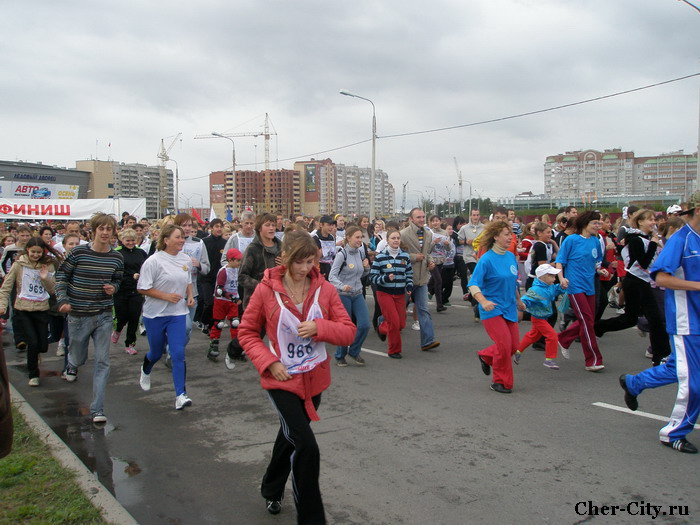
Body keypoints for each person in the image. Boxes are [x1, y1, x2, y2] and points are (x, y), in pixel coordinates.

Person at [238, 230, 355, 523]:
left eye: (311, 262)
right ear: (286, 258)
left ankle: (271, 487)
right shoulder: (266, 290)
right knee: (306, 444)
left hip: (314, 377)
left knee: (289, 437)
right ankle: (312, 518)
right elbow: (248, 332)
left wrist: (320, 327)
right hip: (281, 378)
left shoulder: (324, 289)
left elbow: (347, 331)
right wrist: (268, 362)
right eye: (300, 262)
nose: (305, 269)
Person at [619, 194, 700, 454]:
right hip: (687, 321)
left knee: (680, 369)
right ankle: (674, 433)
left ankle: (634, 383)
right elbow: (662, 278)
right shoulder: (681, 239)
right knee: (694, 383)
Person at [55, 213, 124, 424]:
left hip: (103, 314)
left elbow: (118, 280)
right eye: (101, 229)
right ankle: (72, 363)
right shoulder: (77, 253)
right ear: (93, 231)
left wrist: (113, 288)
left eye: (109, 229)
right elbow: (61, 276)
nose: (105, 233)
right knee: (78, 357)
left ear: (113, 232)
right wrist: (63, 300)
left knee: (102, 362)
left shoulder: (116, 258)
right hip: (78, 315)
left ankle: (98, 410)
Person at [594, 210, 670, 365]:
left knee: (653, 319)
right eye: (650, 220)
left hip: (644, 282)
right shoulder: (635, 240)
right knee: (632, 319)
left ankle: (660, 354)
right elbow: (643, 262)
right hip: (634, 282)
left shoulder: (647, 238)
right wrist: (654, 244)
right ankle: (596, 327)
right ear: (640, 222)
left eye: (654, 219)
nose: (654, 222)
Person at [137, 224, 195, 410]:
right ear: (166, 240)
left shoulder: (185, 258)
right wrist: (166, 296)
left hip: (177, 313)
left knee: (178, 353)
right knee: (155, 352)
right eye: (178, 237)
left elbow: (187, 280)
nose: (182, 240)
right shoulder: (153, 261)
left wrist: (190, 295)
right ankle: (146, 369)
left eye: (183, 237)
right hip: (155, 314)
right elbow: (142, 288)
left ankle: (181, 395)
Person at [468, 221, 525, 393]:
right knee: (504, 344)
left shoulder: (509, 257)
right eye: (506, 234)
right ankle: (500, 382)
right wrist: (483, 302)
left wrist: (518, 300)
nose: (510, 237)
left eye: (511, 234)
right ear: (495, 237)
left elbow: (513, 282)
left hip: (509, 307)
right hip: (491, 309)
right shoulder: (486, 259)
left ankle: (486, 356)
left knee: (514, 346)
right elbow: (473, 285)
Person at [0, 238, 58, 386]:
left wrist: (45, 278)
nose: (35, 255)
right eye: (33, 252)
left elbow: (53, 290)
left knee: (42, 345)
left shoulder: (48, 265)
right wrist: (3, 305)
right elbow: (6, 286)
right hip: (23, 308)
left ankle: (36, 354)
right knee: (32, 342)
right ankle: (33, 374)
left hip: (42, 309)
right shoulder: (19, 264)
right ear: (27, 250)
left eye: (38, 252)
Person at [555, 211, 606, 372]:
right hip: (574, 285)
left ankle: (563, 338)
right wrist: (562, 278)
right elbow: (560, 261)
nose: (598, 226)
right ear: (585, 224)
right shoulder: (571, 240)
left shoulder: (595, 241)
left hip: (589, 285)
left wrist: (601, 271)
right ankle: (593, 359)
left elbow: (596, 263)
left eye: (599, 223)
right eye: (595, 223)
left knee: (588, 320)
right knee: (586, 321)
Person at [329, 225, 370, 366]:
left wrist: (367, 268)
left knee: (364, 325)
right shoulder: (342, 255)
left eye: (361, 237)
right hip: (343, 295)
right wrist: (342, 286)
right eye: (357, 237)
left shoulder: (360, 253)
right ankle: (340, 355)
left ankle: (354, 350)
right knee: (345, 327)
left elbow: (362, 274)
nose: (360, 240)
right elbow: (332, 276)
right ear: (348, 238)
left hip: (357, 293)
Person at [400, 208, 440, 351]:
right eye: (418, 217)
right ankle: (382, 321)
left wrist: (430, 261)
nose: (421, 220)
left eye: (423, 217)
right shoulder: (403, 234)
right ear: (411, 219)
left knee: (424, 310)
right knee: (398, 310)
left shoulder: (428, 234)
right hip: (407, 278)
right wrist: (413, 257)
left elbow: (427, 253)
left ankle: (428, 341)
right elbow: (397, 254)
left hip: (422, 278)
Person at [371, 229, 413, 359]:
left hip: (400, 293)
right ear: (387, 240)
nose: (396, 241)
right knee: (394, 323)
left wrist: (409, 284)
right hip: (384, 293)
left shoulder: (405, 256)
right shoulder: (380, 257)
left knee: (400, 324)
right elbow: (372, 277)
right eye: (393, 238)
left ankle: (382, 326)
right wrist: (384, 278)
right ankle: (394, 350)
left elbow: (409, 273)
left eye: (398, 238)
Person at [515, 264, 567, 370]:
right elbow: (525, 299)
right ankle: (549, 360)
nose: (554, 278)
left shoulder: (549, 286)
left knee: (533, 335)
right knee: (552, 335)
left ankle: (518, 351)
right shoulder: (536, 290)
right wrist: (522, 305)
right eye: (551, 276)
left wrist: (562, 287)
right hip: (538, 318)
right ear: (543, 277)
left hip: (543, 317)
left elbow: (556, 290)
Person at [112, 228, 147, 355]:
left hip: (136, 289)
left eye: (133, 240)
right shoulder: (116, 252)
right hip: (120, 290)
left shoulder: (141, 252)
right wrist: (130, 276)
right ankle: (117, 329)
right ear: (122, 240)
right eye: (128, 240)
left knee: (134, 316)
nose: (130, 243)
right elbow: (113, 272)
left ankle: (130, 343)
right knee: (122, 316)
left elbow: (147, 267)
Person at [208, 248, 245, 368]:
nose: (239, 262)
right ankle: (213, 346)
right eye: (237, 260)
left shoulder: (236, 270)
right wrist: (231, 297)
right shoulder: (224, 271)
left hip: (232, 300)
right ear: (230, 260)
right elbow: (219, 289)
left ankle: (236, 348)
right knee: (218, 323)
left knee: (235, 323)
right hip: (221, 301)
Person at [239, 213, 282, 308]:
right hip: (256, 301)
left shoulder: (282, 247)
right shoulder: (252, 249)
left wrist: (286, 266)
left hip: (279, 300)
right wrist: (262, 286)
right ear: (259, 228)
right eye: (267, 225)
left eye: (273, 225)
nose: (271, 228)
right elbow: (242, 277)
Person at [458, 209, 484, 318]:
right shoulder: (464, 228)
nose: (476, 217)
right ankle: (475, 301)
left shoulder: (484, 228)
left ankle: (471, 296)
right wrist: (466, 242)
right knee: (475, 274)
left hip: (481, 256)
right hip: (469, 256)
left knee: (479, 278)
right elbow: (459, 240)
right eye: (474, 215)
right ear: (470, 216)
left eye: (477, 215)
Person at [313, 215, 337, 280]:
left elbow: (333, 253)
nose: (331, 227)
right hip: (320, 267)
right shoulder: (315, 238)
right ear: (321, 225)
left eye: (332, 225)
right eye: (329, 225)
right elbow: (317, 255)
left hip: (330, 266)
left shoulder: (331, 237)